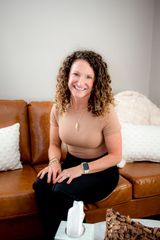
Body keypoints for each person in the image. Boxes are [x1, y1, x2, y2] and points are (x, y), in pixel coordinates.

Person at [33, 50, 122, 240]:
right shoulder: (58, 107)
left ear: (95, 82)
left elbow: (116, 156)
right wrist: (55, 162)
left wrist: (82, 169)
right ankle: (54, 236)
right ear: (67, 75)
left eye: (88, 77)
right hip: (71, 163)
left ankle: (80, 236)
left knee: (62, 190)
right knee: (41, 185)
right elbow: (54, 145)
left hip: (101, 169)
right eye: (76, 74)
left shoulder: (106, 110)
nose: (80, 82)